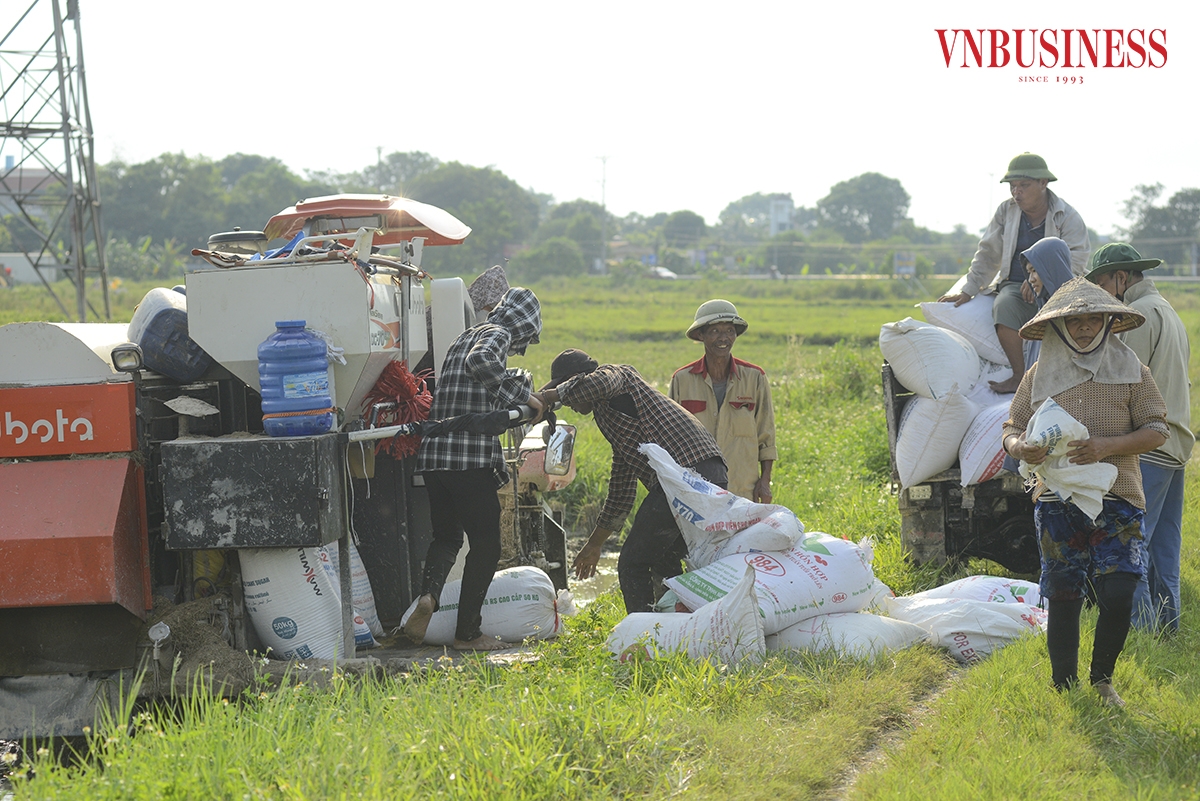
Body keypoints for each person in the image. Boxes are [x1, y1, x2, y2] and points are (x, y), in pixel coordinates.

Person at [1002, 278, 1168, 707]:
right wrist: (1021, 447)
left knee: (1119, 590)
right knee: (1063, 592)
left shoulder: (1133, 371)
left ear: (1110, 323)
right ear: (1059, 327)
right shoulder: (1040, 375)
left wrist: (1106, 447)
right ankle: (1064, 686)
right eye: (1075, 321)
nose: (1084, 328)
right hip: (1058, 498)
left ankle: (1101, 679)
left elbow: (1157, 430)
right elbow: (1012, 427)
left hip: (1119, 494)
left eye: (1094, 319)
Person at [405, 287, 544, 651]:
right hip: (468, 458)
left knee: (447, 538)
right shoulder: (495, 335)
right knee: (486, 545)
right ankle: (468, 632)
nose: (522, 346)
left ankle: (429, 598)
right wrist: (525, 397)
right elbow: (483, 362)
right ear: (522, 323)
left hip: (435, 458)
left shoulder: (462, 337)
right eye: (526, 337)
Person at [537, 349, 726, 614]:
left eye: (566, 391)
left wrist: (546, 397)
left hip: (688, 475)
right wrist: (594, 545)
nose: (568, 403)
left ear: (575, 381)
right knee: (663, 559)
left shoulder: (619, 377)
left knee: (632, 563)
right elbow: (620, 493)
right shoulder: (613, 419)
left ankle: (641, 635)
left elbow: (599, 383)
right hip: (703, 477)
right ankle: (674, 626)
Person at [1087, 242, 1193, 633]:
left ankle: (1143, 633)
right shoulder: (1167, 310)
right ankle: (1168, 629)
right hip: (1176, 443)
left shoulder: (1138, 316)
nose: (1100, 291)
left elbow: (1124, 386)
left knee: (1132, 546)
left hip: (1149, 446)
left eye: (1102, 282)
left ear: (1121, 277)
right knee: (1164, 547)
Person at [938, 152, 1090, 393]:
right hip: (1014, 283)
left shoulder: (1067, 216)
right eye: (1013, 186)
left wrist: (1040, 277)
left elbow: (1077, 259)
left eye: (1024, 185)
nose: (1016, 192)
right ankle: (1021, 376)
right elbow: (988, 253)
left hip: (1058, 285)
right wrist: (968, 290)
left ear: (1043, 183)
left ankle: (1066, 376)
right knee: (1004, 305)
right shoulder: (1006, 212)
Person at [669, 299, 777, 502]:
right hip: (696, 490)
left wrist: (765, 482)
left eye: (729, 331)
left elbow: (766, 436)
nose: (723, 338)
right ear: (701, 335)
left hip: (743, 489)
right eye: (715, 331)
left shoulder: (755, 378)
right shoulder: (681, 380)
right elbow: (670, 439)